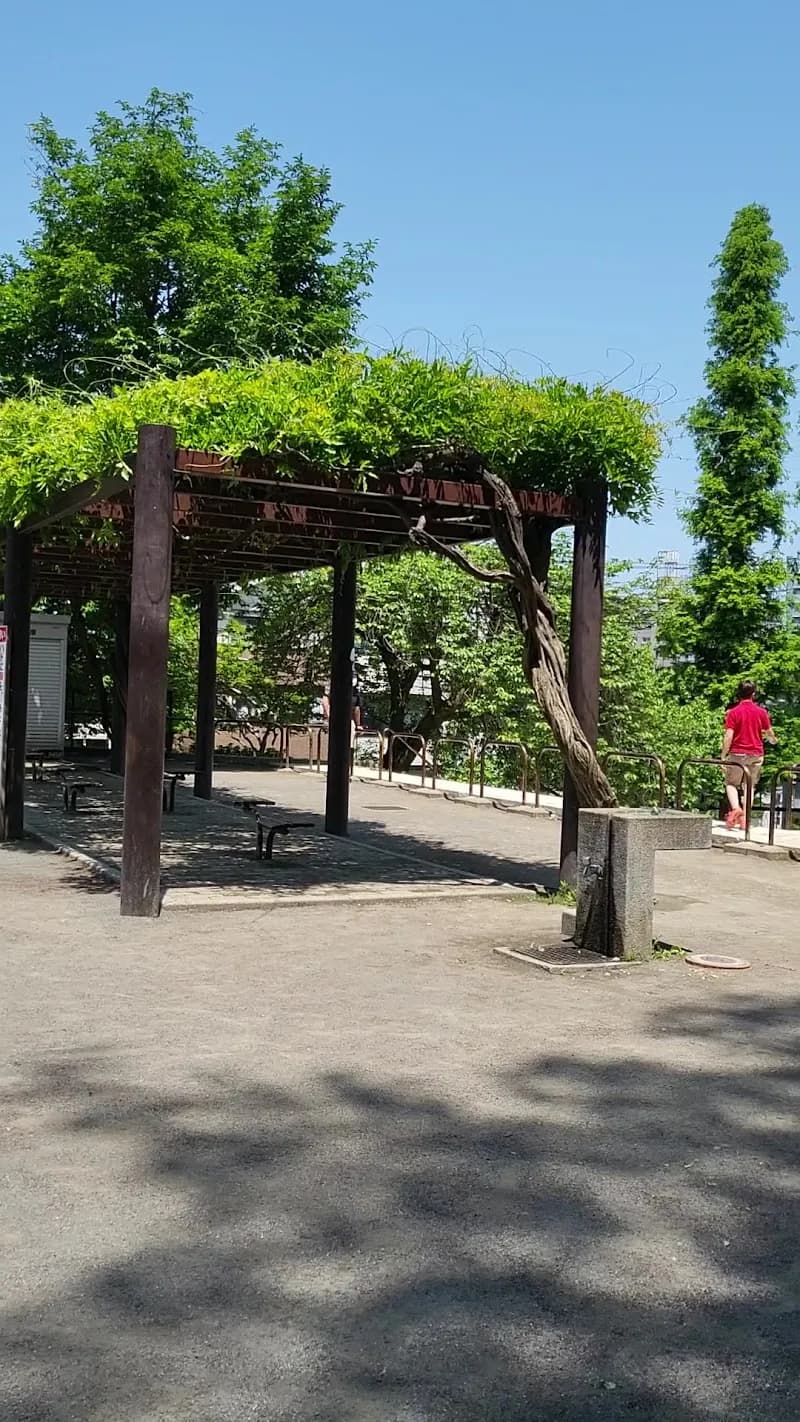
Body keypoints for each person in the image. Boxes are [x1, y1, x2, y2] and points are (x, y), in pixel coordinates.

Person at [721, 680, 776, 829]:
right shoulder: (761, 712)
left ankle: (736, 809)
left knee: (731, 783)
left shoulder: (733, 712)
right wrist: (773, 740)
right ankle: (745, 818)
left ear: (739, 693)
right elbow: (769, 733)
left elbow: (729, 735)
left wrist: (723, 756)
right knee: (749, 785)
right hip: (756, 753)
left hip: (738, 754)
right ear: (753, 694)